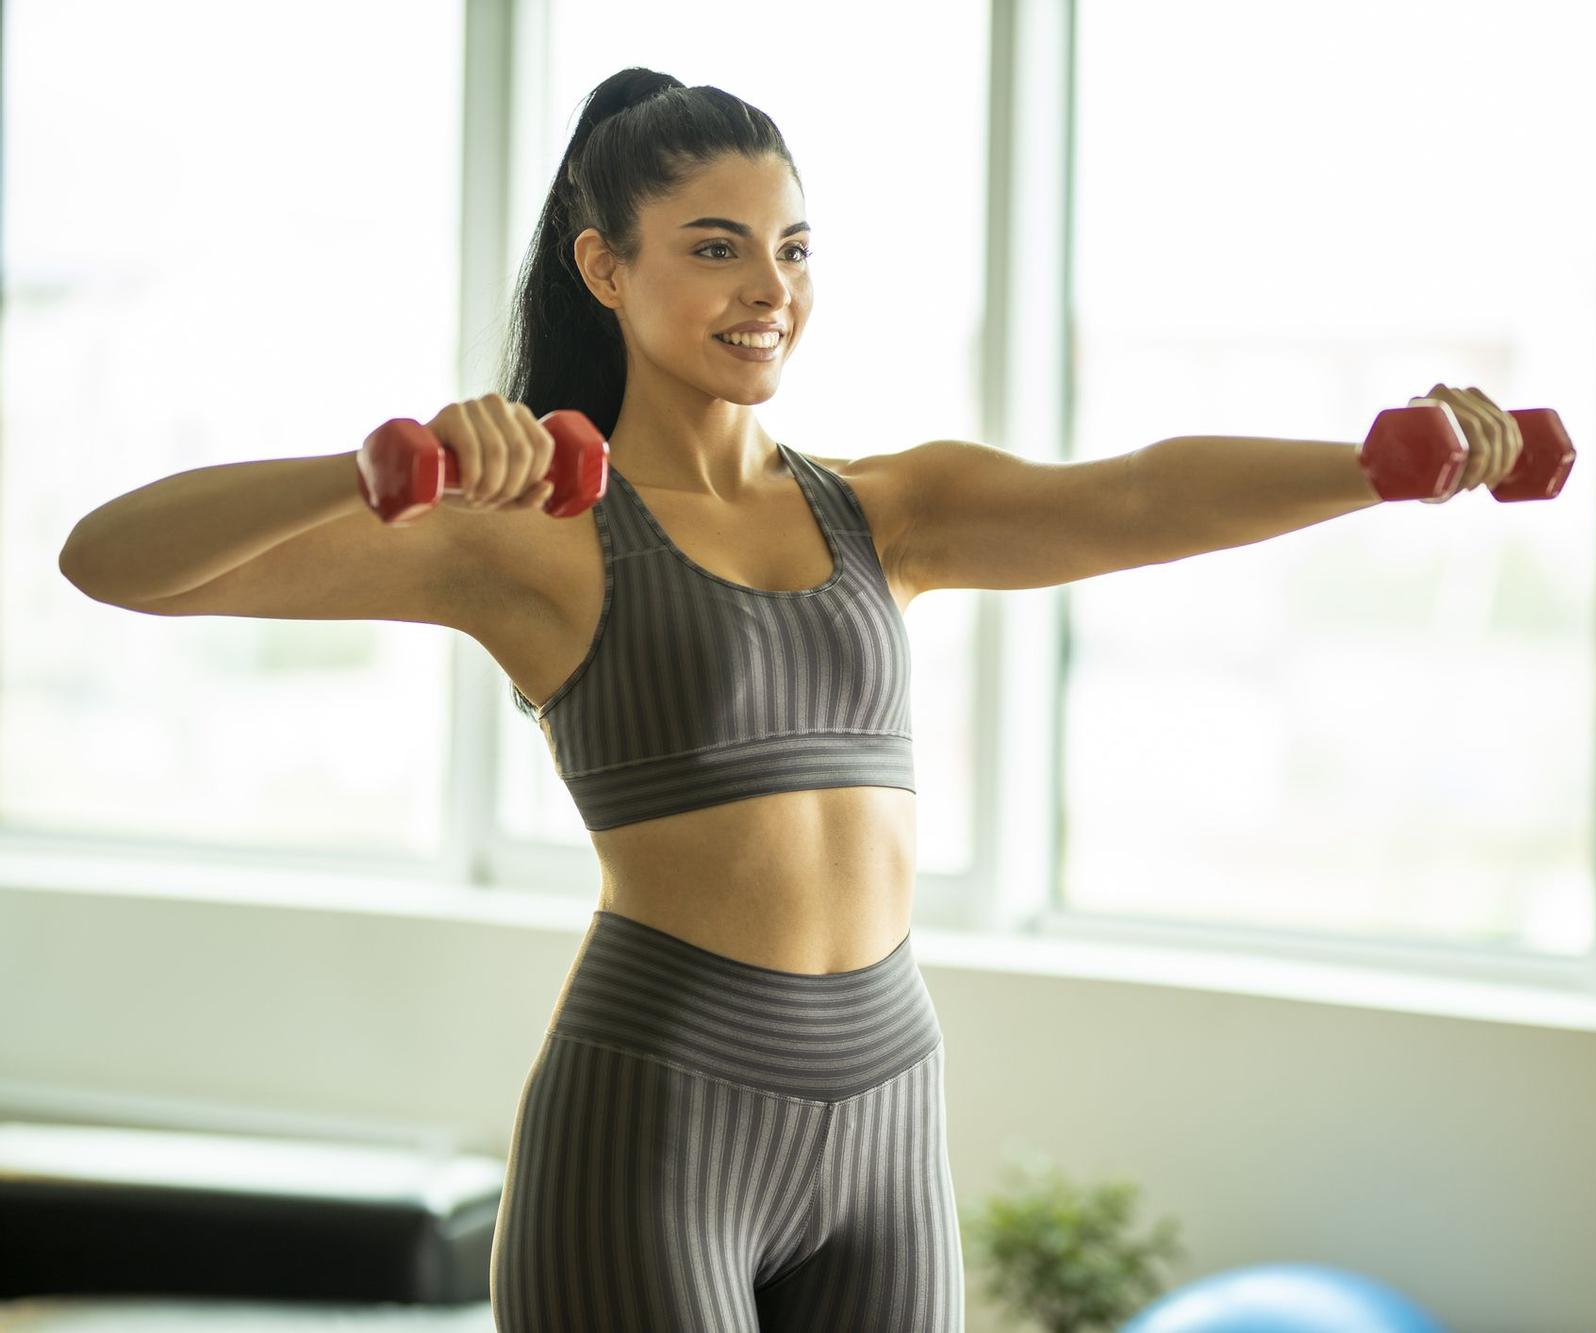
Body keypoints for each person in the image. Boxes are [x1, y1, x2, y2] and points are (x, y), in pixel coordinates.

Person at [56, 61, 1522, 1333]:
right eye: (717, 247)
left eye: (794, 248)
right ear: (606, 269)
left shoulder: (888, 510)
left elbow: (1131, 491)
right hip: (658, 1119)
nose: (771, 290)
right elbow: (114, 561)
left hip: (888, 1105)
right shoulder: (539, 538)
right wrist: (365, 470)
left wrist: (1375, 465)